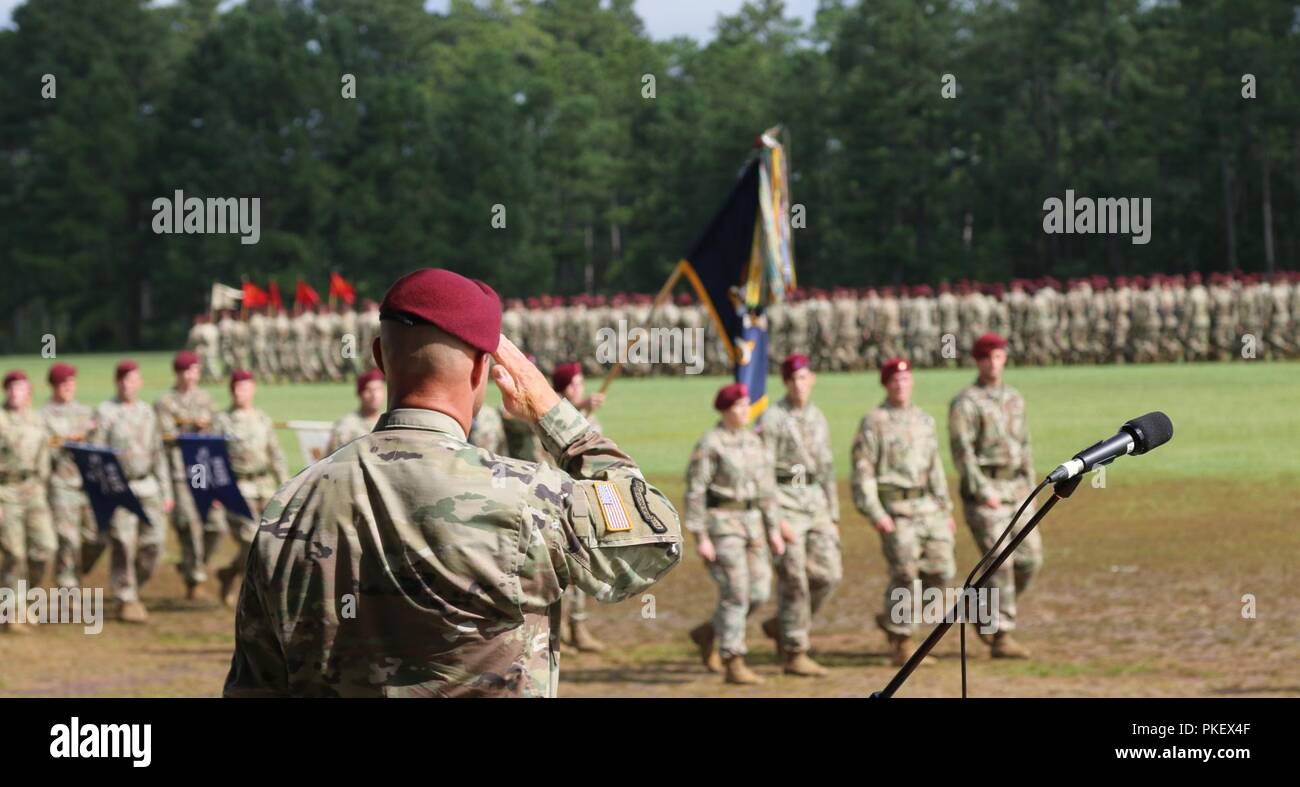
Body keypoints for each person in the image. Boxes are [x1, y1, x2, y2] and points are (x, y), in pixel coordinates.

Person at [224, 268, 682, 697]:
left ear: (381, 358)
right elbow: (656, 537)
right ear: (482, 370)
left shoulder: (289, 505)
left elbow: (254, 684)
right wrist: (555, 415)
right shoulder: (527, 499)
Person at [851, 357, 956, 666]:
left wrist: (945, 507)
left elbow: (934, 466)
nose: (901, 384)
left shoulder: (924, 420)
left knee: (941, 571)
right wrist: (875, 512)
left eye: (906, 379)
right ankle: (902, 640)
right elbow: (863, 472)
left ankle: (893, 617)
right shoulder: (874, 422)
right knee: (906, 575)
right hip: (896, 510)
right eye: (895, 380)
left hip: (928, 507)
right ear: (886, 384)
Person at [948, 333, 1039, 658]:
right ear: (977, 361)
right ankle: (1001, 635)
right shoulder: (966, 403)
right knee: (1001, 560)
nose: (993, 363)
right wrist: (982, 490)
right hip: (985, 491)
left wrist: (1031, 486)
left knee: (1030, 559)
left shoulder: (1015, 398)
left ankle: (978, 606)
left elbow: (1025, 445)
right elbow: (963, 454)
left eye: (998, 356)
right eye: (987, 357)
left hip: (1017, 490)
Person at [684, 382, 779, 685]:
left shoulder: (755, 442)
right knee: (736, 592)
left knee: (760, 591)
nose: (745, 410)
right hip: (723, 526)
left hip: (753, 524)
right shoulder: (711, 444)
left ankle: (709, 631)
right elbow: (696, 491)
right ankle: (732, 659)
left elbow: (767, 491)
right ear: (725, 410)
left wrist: (773, 528)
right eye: (739, 406)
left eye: (746, 405)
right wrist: (701, 537)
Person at [756, 354, 842, 677]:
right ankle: (795, 651)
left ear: (813, 379)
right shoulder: (773, 418)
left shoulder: (818, 418)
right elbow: (762, 471)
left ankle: (783, 625)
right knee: (794, 577)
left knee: (829, 574)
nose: (799, 385)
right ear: (785, 383)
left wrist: (833, 514)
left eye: (804, 378)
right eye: (793, 379)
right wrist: (774, 519)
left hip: (815, 502)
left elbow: (828, 469)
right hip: (785, 502)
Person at [87, 361, 173, 623]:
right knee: (123, 542)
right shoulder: (105, 412)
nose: (127, 384)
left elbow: (158, 453)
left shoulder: (147, 412)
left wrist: (166, 491)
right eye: (122, 379)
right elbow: (96, 455)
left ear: (140, 383)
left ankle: (133, 582)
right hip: (119, 488)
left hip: (147, 485)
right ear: (117, 382)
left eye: (132, 379)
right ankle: (127, 598)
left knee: (155, 543)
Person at [545, 361, 608, 653]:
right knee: (560, 569)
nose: (582, 388)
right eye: (577, 383)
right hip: (557, 502)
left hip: (584, 501)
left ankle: (578, 627)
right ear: (567, 388)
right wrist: (580, 408)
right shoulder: (547, 418)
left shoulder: (590, 421)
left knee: (584, 565)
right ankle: (556, 632)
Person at [212, 370, 287, 608]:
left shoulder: (262, 419)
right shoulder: (221, 421)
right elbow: (211, 459)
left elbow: (275, 454)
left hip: (264, 487)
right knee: (251, 538)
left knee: (267, 540)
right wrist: (214, 491)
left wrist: (286, 484)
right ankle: (256, 596)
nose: (239, 392)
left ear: (253, 388)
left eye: (244, 387)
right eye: (235, 387)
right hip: (237, 489)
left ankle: (231, 572)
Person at [155, 350, 224, 600]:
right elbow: (167, 437)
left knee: (217, 526)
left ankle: (192, 564)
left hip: (204, 471)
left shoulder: (206, 400)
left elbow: (217, 433)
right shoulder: (166, 402)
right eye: (186, 371)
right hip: (180, 473)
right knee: (191, 525)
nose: (190, 376)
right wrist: (193, 426)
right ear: (178, 373)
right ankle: (194, 579)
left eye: (194, 370)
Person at [0, 370, 55, 633]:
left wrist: (43, 489)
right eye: (10, 388)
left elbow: (44, 456)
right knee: (15, 553)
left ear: (28, 393)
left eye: (19, 388)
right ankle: (11, 613)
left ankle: (27, 599)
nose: (14, 393)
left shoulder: (37, 420)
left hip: (33, 490)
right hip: (6, 492)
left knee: (45, 548)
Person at [40, 363, 96, 594]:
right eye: (63, 383)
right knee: (68, 539)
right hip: (61, 483)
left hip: (87, 484)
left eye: (71, 382)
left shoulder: (85, 412)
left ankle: (76, 571)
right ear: (53, 386)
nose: (68, 387)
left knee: (95, 537)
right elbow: (42, 451)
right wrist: (65, 442)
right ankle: (67, 587)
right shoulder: (43, 416)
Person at [326, 368, 385, 454]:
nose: (375, 395)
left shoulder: (389, 420)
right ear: (360, 394)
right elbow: (332, 458)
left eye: (379, 389)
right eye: (369, 390)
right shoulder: (347, 425)